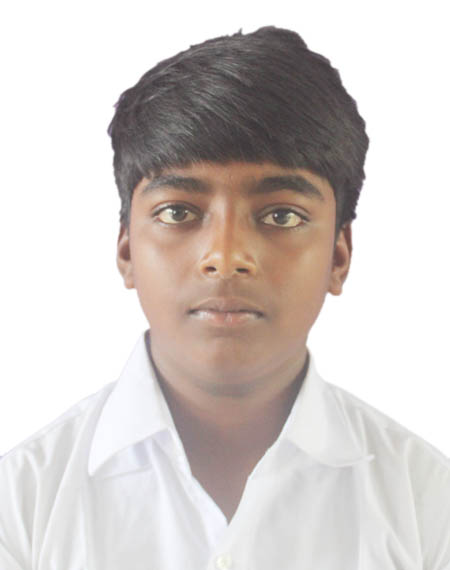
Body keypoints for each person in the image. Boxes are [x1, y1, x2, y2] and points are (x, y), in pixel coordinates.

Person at [0, 26, 449, 570]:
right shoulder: (22, 507)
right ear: (127, 250)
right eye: (178, 212)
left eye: (281, 215)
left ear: (338, 256)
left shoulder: (427, 507)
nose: (226, 256)